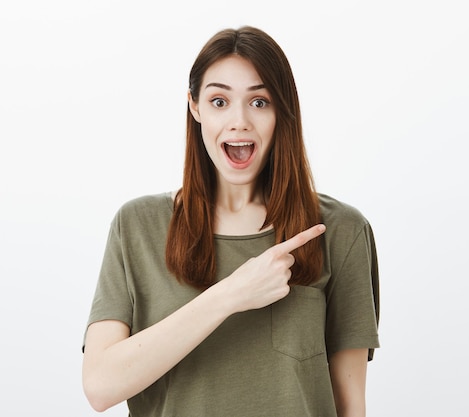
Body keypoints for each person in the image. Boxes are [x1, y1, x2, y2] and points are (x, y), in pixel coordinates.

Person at [82, 25, 380, 417]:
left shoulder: (339, 230)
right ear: (195, 108)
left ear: (281, 111)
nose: (239, 121)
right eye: (219, 101)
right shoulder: (136, 226)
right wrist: (231, 295)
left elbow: (350, 404)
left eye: (259, 102)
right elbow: (100, 387)